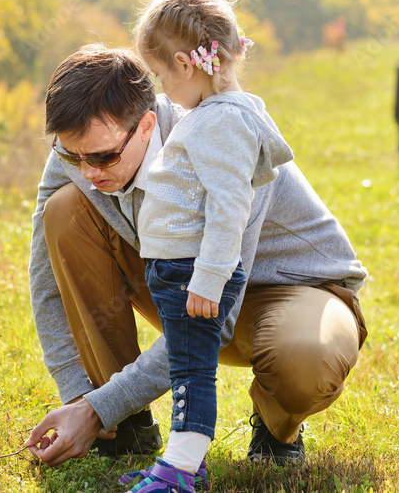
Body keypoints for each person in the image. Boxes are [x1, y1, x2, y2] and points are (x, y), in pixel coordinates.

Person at [24, 38, 368, 476]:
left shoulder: (222, 142)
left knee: (303, 364)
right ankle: (124, 428)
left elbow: (215, 317)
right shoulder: (80, 155)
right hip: (184, 283)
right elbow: (47, 280)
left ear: (147, 126)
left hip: (291, 289)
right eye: (70, 154)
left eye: (103, 157)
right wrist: (79, 396)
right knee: (64, 211)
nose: (88, 172)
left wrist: (93, 410)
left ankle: (276, 423)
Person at [120, 0, 293, 492]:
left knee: (192, 375)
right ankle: (182, 464)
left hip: (191, 270)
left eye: (159, 74)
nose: (161, 88)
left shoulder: (221, 123)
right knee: (185, 369)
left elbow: (229, 208)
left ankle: (176, 474)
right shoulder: (217, 114)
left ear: (185, 63)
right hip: (181, 266)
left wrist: (209, 277)